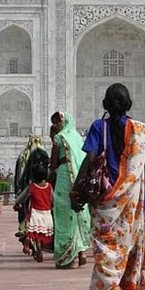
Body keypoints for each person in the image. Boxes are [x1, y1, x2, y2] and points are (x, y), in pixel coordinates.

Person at [78, 83, 145, 290]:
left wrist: (78, 187)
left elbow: (89, 157)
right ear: (129, 104)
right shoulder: (141, 130)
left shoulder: (99, 126)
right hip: (130, 204)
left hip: (104, 201)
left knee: (104, 251)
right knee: (122, 250)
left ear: (105, 105)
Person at [49, 112, 91, 269]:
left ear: (63, 122)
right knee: (77, 211)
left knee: (63, 213)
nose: (55, 126)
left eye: (56, 123)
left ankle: (67, 257)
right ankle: (81, 252)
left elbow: (53, 165)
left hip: (64, 177)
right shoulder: (76, 137)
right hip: (78, 179)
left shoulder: (59, 138)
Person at [19, 162, 53, 263]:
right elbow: (52, 199)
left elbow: (22, 197)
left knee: (35, 234)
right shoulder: (49, 186)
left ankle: (37, 250)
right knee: (42, 233)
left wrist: (17, 203)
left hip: (35, 212)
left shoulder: (32, 187)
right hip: (46, 213)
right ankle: (39, 250)